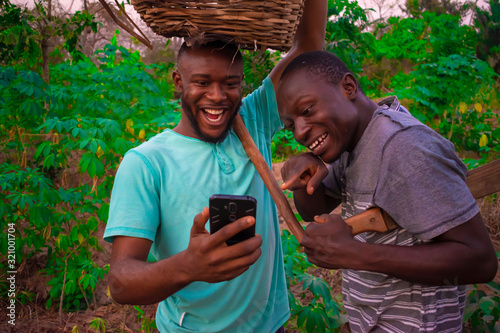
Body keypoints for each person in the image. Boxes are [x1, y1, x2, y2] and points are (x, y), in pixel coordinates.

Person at [103, 2, 327, 332]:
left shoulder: (253, 120)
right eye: (202, 82)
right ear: (178, 81)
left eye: (231, 83)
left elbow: (308, 48)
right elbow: (121, 282)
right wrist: (188, 267)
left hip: (271, 326)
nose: (218, 96)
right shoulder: (147, 163)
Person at [277, 50, 498, 333]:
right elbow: (314, 210)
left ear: (348, 87)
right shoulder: (353, 138)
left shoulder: (404, 147)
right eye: (290, 124)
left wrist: (356, 254)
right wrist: (304, 173)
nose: (299, 131)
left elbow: (479, 261)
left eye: (307, 111)